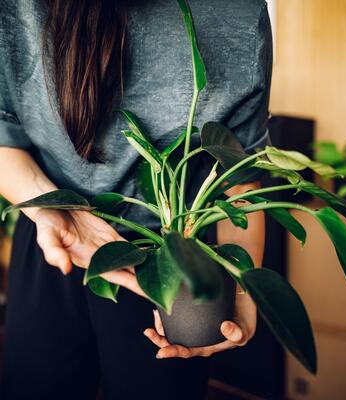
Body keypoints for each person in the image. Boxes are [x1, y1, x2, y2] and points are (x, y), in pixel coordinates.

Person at [0, 0, 272, 399]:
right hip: (52, 233)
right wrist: (48, 206)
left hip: (173, 262)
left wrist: (245, 290)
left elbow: (239, 180)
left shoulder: (239, 12)